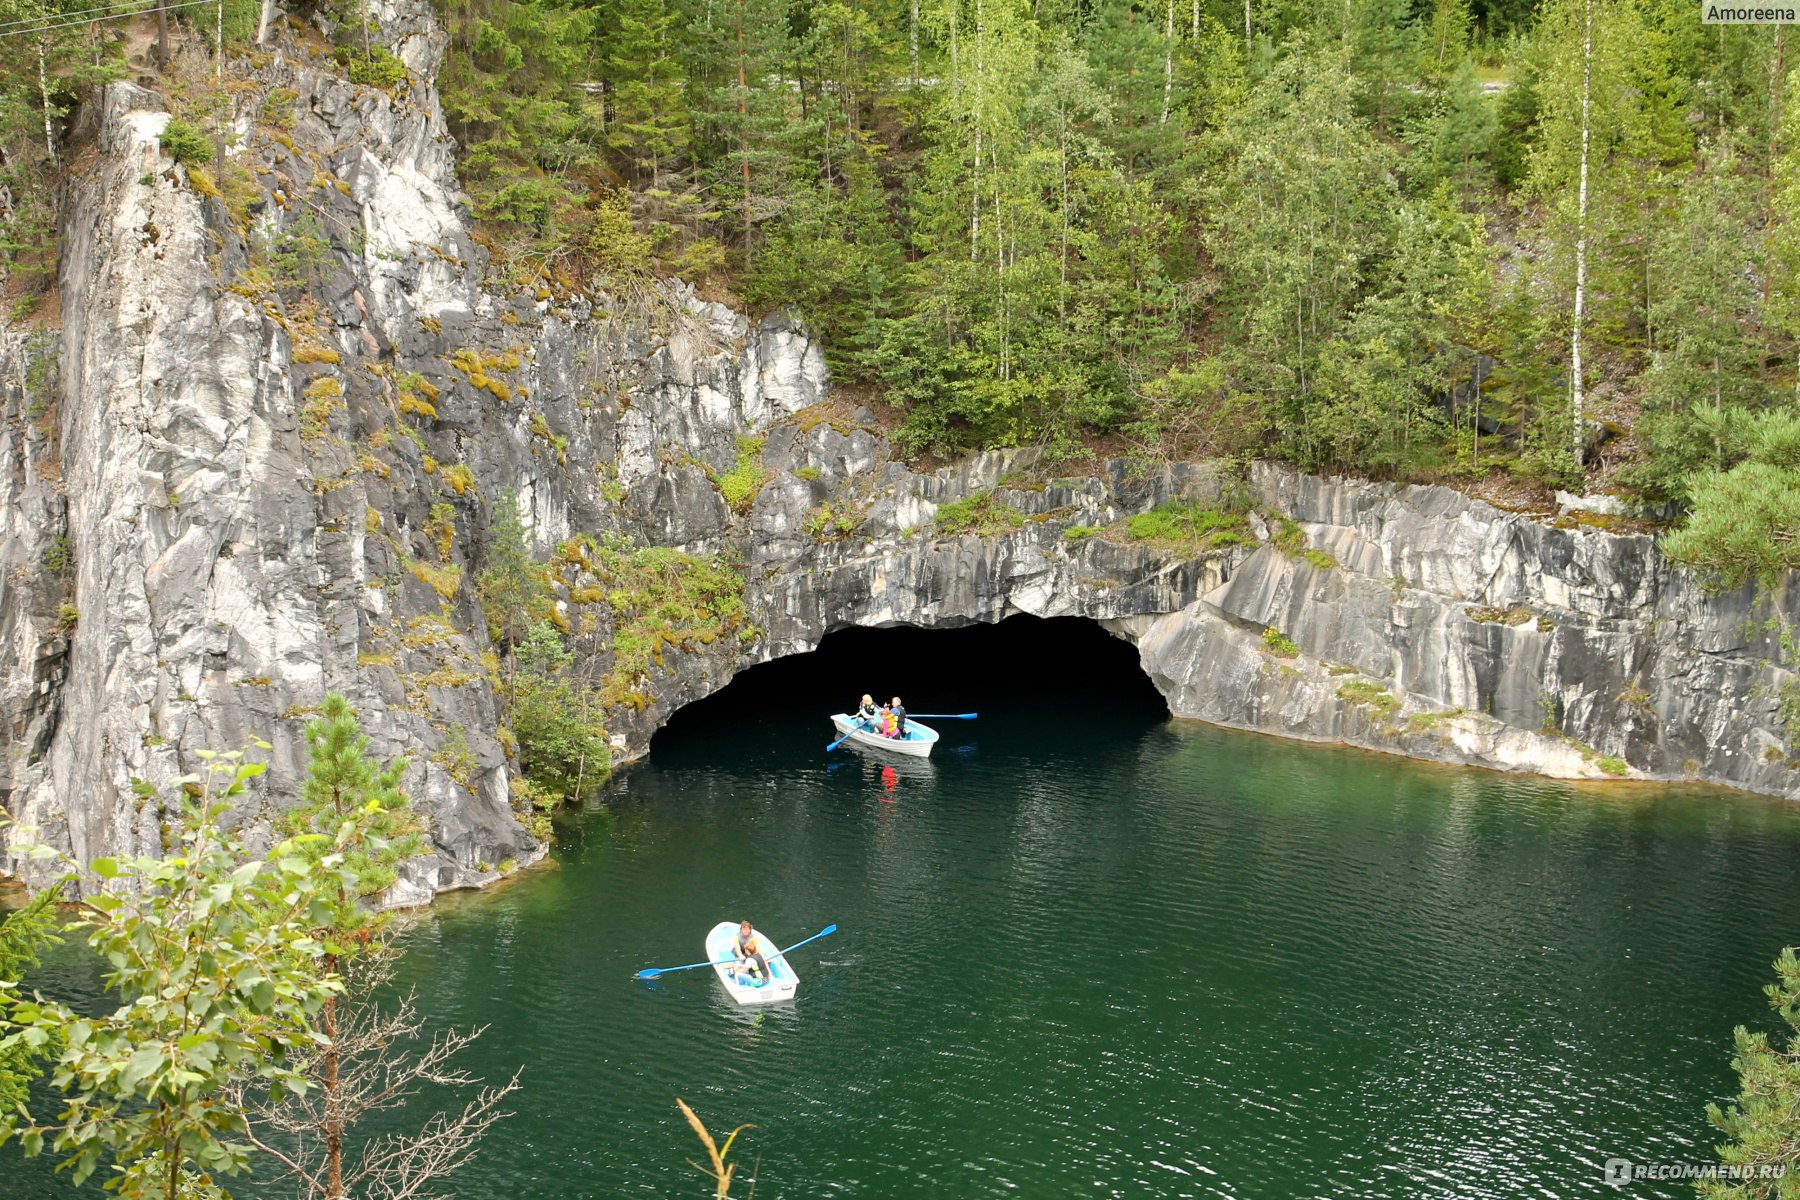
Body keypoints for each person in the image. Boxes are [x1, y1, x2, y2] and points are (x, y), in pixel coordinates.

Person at [734, 920, 772, 986]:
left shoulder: (754, 938)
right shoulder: (737, 937)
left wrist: (736, 970)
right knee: (740, 962)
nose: (745, 931)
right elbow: (737, 948)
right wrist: (740, 955)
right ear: (741, 930)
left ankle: (738, 984)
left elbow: (758, 949)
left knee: (738, 972)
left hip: (758, 981)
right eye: (743, 929)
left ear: (750, 930)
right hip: (742, 954)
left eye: (747, 929)